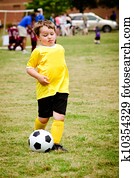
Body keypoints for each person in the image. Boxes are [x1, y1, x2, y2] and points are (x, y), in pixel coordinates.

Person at [26, 20, 69, 152]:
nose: (49, 37)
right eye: (45, 35)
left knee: (59, 117)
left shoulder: (60, 48)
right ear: (38, 38)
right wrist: (39, 77)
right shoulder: (38, 51)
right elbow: (29, 68)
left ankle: (55, 144)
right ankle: (36, 135)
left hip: (62, 88)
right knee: (43, 118)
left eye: (52, 33)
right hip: (45, 89)